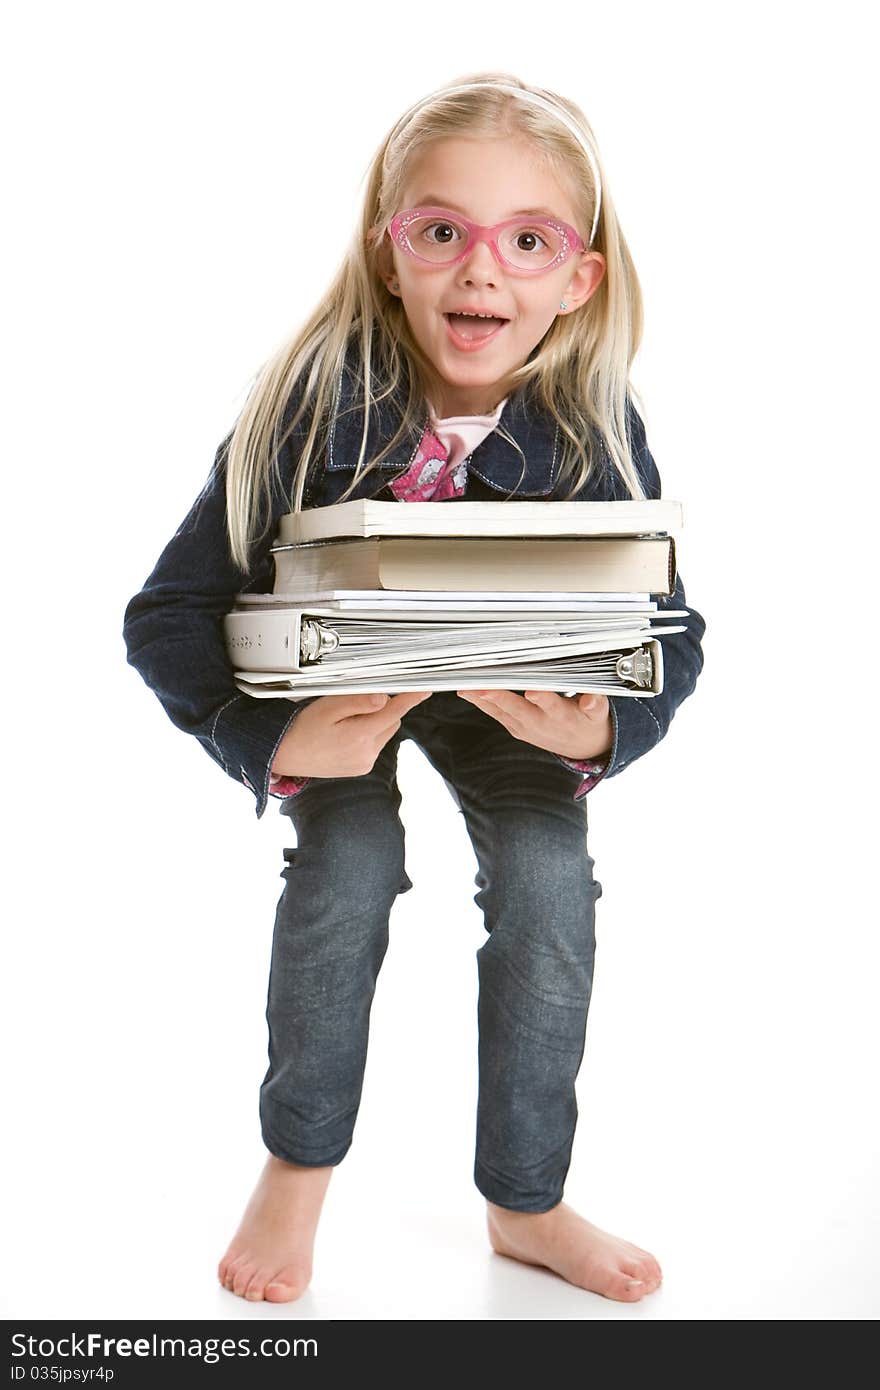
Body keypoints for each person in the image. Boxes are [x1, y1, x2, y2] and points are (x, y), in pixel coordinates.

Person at [122, 71, 705, 1306]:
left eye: (526, 241)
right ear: (389, 256)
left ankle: (527, 1200)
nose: (480, 274)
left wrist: (606, 724)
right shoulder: (303, 402)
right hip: (337, 702)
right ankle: (296, 1168)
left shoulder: (599, 425)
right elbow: (167, 612)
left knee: (551, 880)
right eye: (441, 232)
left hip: (511, 700)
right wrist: (274, 744)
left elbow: (671, 620)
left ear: (576, 276)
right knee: (346, 867)